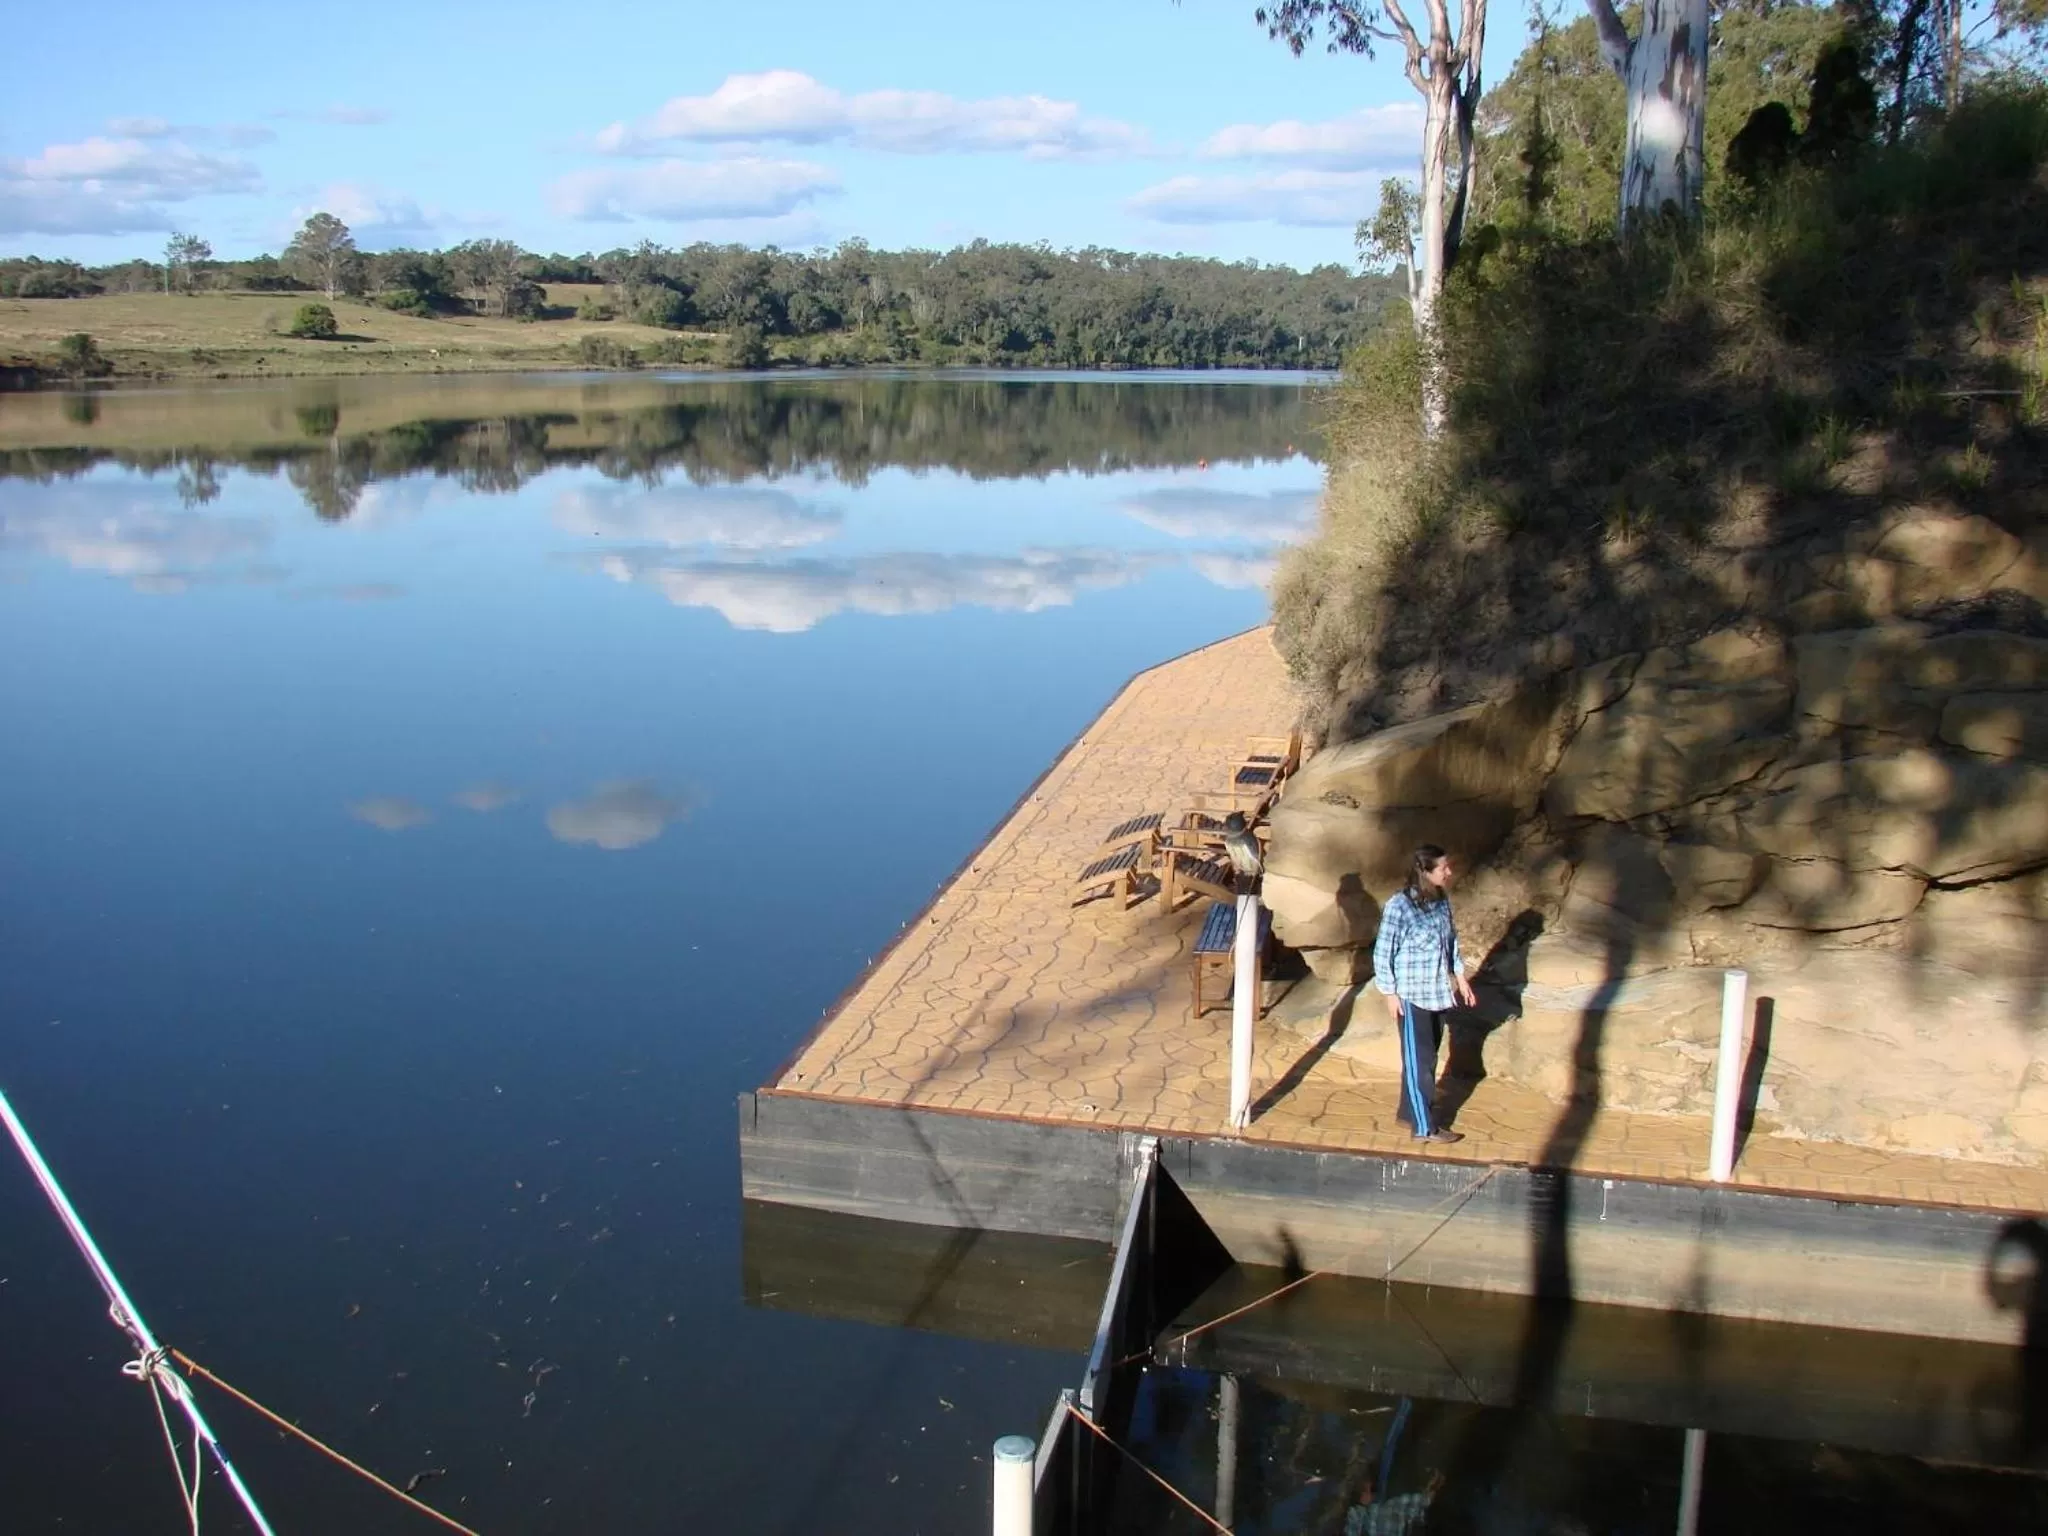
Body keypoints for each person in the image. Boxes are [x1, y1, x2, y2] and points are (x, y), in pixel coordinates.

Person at [1371, 844, 1475, 1145]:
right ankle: (1423, 1127)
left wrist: (1460, 977)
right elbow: (1383, 951)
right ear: (1426, 872)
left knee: (1425, 1059)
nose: (1449, 872)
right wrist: (1389, 992)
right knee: (1420, 1061)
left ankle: (1408, 1112)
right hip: (1411, 995)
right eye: (1443, 868)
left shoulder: (1441, 901)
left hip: (1437, 993)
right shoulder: (1400, 906)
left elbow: (1450, 941)